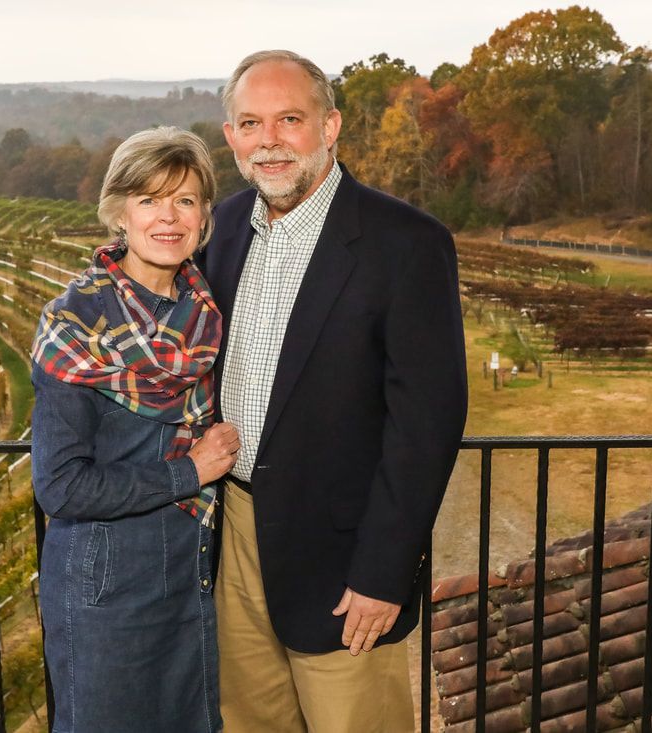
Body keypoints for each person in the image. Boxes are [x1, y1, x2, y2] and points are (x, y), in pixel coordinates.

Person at [198, 50, 468, 732]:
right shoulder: (223, 228)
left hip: (344, 558)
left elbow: (426, 425)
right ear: (230, 136)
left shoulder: (405, 243)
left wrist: (384, 571)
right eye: (251, 122)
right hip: (235, 535)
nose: (270, 140)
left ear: (330, 125)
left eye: (290, 119)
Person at [30, 126, 239, 733]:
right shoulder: (76, 321)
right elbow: (62, 487)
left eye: (185, 200)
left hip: (190, 569)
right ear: (119, 212)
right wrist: (190, 471)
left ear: (203, 216)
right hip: (104, 588)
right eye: (149, 199)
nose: (167, 217)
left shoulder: (205, 310)